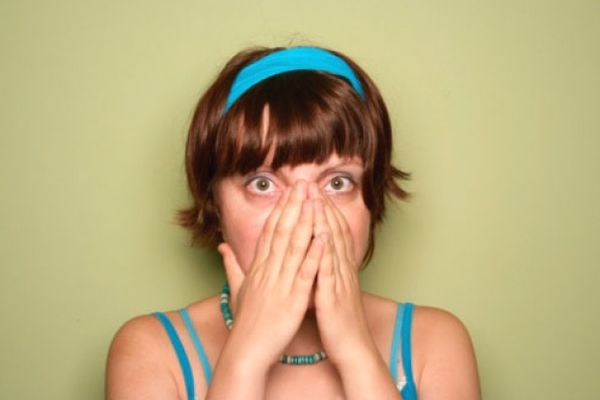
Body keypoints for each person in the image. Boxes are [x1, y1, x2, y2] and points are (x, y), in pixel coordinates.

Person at [105, 45, 480, 400]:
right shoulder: (151, 351)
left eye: (337, 182)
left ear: (372, 199)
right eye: (263, 184)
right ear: (214, 204)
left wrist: (355, 349)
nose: (305, 217)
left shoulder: (435, 342)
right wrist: (247, 354)